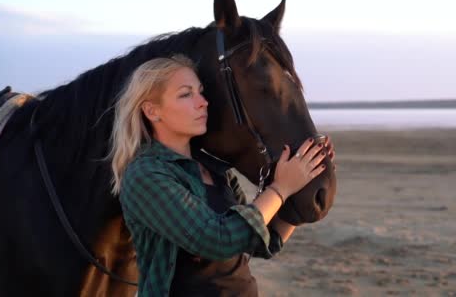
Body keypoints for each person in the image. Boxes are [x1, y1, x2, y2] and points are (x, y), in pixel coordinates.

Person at [108, 55, 335, 297]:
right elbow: (218, 240)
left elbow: (258, 240)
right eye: (186, 94)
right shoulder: (146, 176)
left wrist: (305, 178)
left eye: (201, 92)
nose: (202, 102)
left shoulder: (213, 168)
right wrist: (280, 189)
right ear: (152, 111)